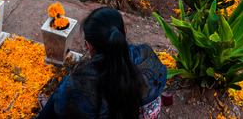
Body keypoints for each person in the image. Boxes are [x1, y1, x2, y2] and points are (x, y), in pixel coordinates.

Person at [39, 7, 167, 119]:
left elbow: (68, 109)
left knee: (61, 92)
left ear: (89, 46)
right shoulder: (146, 56)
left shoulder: (79, 84)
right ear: (124, 32)